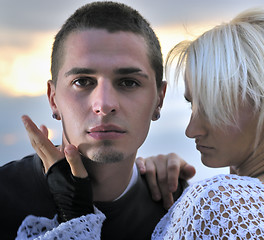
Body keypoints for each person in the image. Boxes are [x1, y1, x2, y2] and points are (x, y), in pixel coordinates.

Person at [19, 6, 264, 240]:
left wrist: (77, 217)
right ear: (52, 96)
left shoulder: (218, 202)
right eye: (193, 105)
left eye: (213, 108)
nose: (191, 130)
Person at [0, 2, 195, 240]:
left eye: (128, 82)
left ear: (159, 99)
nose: (103, 104)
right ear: (53, 99)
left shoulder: (185, 211)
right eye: (82, 81)